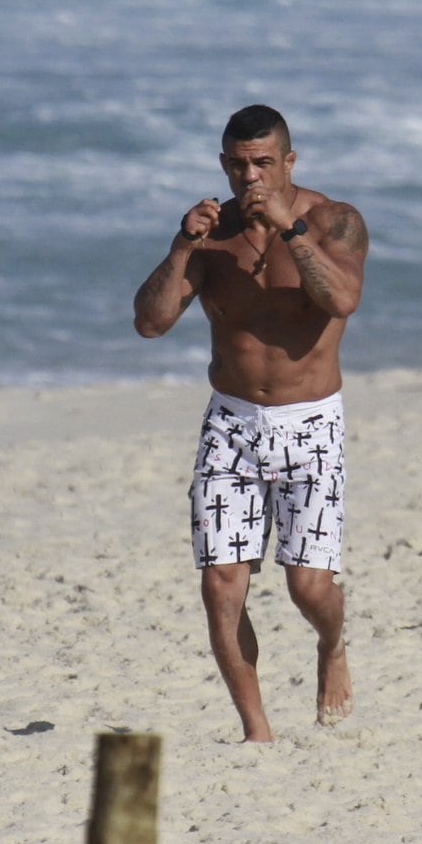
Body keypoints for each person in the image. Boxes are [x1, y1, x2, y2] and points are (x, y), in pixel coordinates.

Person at [132, 105, 368, 742]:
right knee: (221, 585)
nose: (250, 177)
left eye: (263, 163)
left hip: (311, 422)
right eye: (237, 165)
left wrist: (291, 232)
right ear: (222, 165)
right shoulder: (211, 234)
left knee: (309, 587)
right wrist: (183, 244)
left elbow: (342, 299)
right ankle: (257, 733)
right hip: (231, 424)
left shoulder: (333, 221)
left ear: (289, 162)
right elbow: (150, 323)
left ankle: (333, 647)